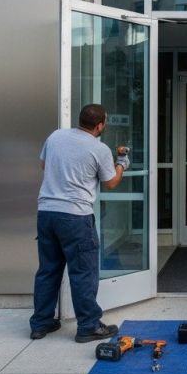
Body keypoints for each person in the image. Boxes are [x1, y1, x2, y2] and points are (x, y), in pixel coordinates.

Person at [29, 103, 130, 342]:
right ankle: (88, 326)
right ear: (100, 125)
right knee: (83, 272)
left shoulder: (56, 136)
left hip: (46, 213)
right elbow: (111, 182)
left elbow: (44, 165)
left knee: (48, 270)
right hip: (75, 217)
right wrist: (122, 162)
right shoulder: (99, 148)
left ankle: (41, 324)